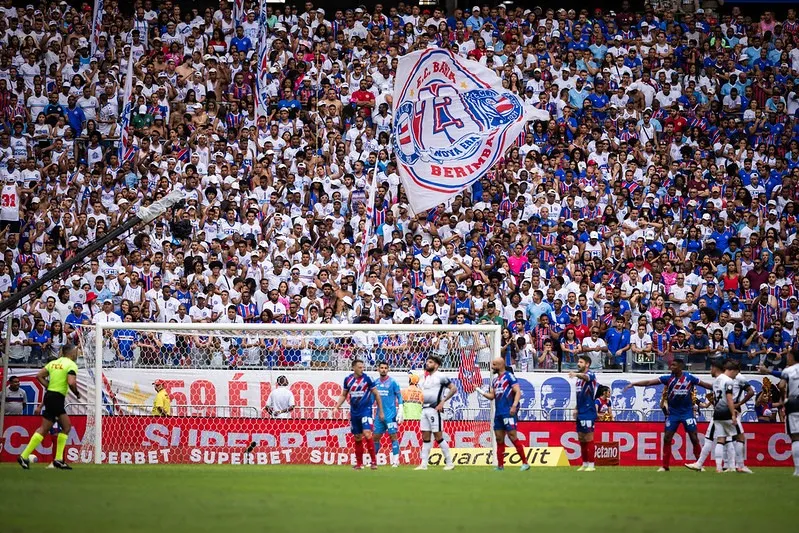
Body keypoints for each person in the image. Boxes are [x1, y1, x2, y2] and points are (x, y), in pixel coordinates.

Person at [625, 358, 713, 471]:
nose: (671, 367)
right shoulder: (668, 378)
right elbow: (649, 382)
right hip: (673, 414)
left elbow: (705, 385)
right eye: (671, 365)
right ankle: (665, 466)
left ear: (680, 367)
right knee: (667, 438)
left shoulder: (689, 378)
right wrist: (634, 384)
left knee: (694, 438)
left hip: (687, 413)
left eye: (674, 365)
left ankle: (700, 465)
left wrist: (718, 387)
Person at [18, 343, 80, 470]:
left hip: (49, 396)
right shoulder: (71, 365)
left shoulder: (54, 363)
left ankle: (24, 456)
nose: (77, 354)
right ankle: (58, 459)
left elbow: (39, 375)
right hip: (57, 398)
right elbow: (71, 382)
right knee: (67, 427)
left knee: (44, 428)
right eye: (76, 352)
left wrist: (49, 386)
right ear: (72, 352)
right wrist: (77, 393)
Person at [476, 356, 530, 471]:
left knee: (512, 436)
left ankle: (525, 463)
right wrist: (478, 390)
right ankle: (500, 466)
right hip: (499, 413)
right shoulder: (495, 380)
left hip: (508, 412)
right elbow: (492, 397)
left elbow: (518, 392)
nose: (492, 367)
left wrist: (514, 406)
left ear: (501, 365)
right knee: (499, 439)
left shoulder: (509, 376)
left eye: (494, 365)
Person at [335, 359, 384, 470]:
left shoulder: (367, 379)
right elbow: (344, 395)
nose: (362, 369)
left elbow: (376, 394)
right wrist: (336, 406)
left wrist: (381, 411)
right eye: (360, 367)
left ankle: (373, 462)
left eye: (363, 367)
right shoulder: (348, 380)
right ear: (354, 368)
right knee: (357, 437)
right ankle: (359, 464)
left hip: (366, 410)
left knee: (367, 433)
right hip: (354, 412)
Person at [761, 347, 799, 477]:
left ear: (792, 357)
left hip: (794, 403)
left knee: (795, 437)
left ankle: (797, 470)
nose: (787, 357)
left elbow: (782, 385)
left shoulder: (789, 370)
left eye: (788, 355)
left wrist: (784, 397)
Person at [416, 355, 457, 471]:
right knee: (425, 437)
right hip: (424, 409)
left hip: (434, 410)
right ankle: (424, 464)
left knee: (438, 437)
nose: (427, 364)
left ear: (436, 365)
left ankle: (449, 463)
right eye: (427, 362)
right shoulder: (426, 378)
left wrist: (443, 402)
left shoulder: (441, 376)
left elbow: (453, 388)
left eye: (430, 362)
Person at [708, 360, 740, 473]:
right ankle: (734, 466)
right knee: (734, 438)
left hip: (717, 413)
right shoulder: (728, 381)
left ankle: (718, 467)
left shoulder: (716, 381)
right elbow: (729, 398)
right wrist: (733, 414)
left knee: (721, 439)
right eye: (735, 373)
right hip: (726, 412)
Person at [569, 355, 599, 471]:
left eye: (581, 362)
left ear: (587, 364)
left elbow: (586, 377)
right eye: (578, 362)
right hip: (580, 411)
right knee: (581, 437)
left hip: (588, 411)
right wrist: (576, 408)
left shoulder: (590, 374)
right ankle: (585, 463)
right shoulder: (578, 380)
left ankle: (592, 465)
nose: (578, 364)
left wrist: (576, 374)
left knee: (588, 437)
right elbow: (580, 395)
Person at [372, 361, 404, 467]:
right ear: (378, 369)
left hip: (391, 415)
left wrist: (400, 410)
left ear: (388, 369)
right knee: (375, 437)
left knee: (393, 436)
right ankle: (373, 460)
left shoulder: (393, 382)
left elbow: (399, 397)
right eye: (381, 367)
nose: (383, 369)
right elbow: (372, 399)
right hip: (379, 416)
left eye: (385, 368)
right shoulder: (375, 383)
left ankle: (395, 460)